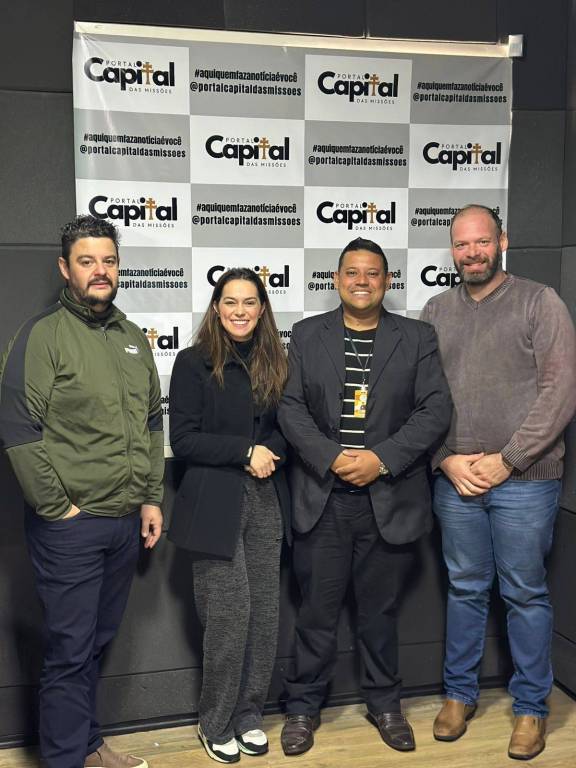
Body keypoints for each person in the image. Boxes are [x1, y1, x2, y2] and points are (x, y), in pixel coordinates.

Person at [276, 237, 452, 755]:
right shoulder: (307, 335)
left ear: (387, 281)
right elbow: (290, 408)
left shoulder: (417, 337)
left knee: (380, 614)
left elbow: (435, 411)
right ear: (336, 279)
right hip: (323, 497)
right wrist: (331, 456)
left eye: (372, 273)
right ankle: (303, 707)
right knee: (316, 615)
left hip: (389, 497)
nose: (361, 281)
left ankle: (385, 704)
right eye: (351, 272)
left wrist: (381, 459)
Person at [0, 215, 164, 768]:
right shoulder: (42, 335)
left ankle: (88, 744)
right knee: (70, 651)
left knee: (95, 642)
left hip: (123, 521)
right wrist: (58, 509)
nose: (100, 271)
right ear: (64, 268)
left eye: (109, 260)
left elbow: (151, 422)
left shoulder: (132, 337)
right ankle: (66, 758)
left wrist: (150, 497)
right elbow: (18, 427)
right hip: (70, 527)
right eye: (87, 261)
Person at [420, 204, 576, 761]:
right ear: (452, 250)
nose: (472, 253)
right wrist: (445, 459)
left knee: (524, 593)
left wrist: (508, 460)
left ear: (502, 241)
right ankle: (458, 696)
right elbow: (421, 398)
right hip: (456, 482)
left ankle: (531, 708)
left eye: (482, 241)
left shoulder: (540, 302)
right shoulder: (436, 310)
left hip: (526, 482)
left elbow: (560, 392)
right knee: (464, 588)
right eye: (462, 245)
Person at [168, 267, 290, 764]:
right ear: (217, 308)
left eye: (250, 302)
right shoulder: (193, 361)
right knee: (229, 616)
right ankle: (214, 722)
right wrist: (245, 451)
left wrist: (268, 451)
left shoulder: (275, 361)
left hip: (265, 498)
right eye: (231, 301)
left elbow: (286, 429)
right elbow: (184, 440)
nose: (240, 311)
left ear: (262, 310)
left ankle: (248, 715)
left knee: (263, 615)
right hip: (212, 503)